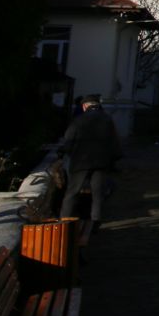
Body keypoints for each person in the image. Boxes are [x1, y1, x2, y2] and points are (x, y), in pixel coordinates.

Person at [59, 95, 122, 243]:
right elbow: (115, 143)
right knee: (97, 194)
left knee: (72, 193)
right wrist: (111, 161)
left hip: (80, 162)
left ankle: (63, 222)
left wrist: (65, 152)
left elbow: (69, 140)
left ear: (85, 106)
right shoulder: (107, 119)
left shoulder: (80, 120)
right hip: (101, 163)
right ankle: (94, 223)